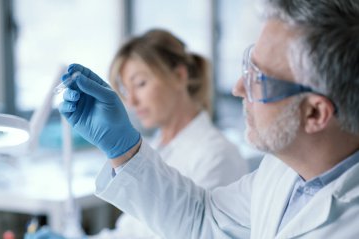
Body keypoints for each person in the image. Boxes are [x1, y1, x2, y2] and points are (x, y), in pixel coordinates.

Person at [56, 0, 359, 238]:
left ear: (315, 113)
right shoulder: (282, 172)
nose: (238, 88)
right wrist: (122, 150)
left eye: (259, 79)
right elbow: (205, 220)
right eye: (246, 66)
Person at [28, 29, 248, 239]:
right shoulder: (157, 146)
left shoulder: (218, 155)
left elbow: (199, 231)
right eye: (125, 90)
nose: (131, 102)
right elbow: (131, 233)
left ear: (180, 76)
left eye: (140, 84)